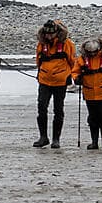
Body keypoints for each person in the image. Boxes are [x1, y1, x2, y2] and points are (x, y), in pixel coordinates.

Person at [33, 19, 79, 147]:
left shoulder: (67, 44)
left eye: (51, 34)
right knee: (42, 107)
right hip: (44, 80)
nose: (49, 36)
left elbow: (72, 61)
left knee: (58, 110)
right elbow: (39, 60)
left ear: (57, 32)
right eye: (47, 34)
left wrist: (73, 76)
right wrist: (40, 73)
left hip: (60, 81)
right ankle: (43, 137)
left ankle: (56, 139)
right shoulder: (41, 44)